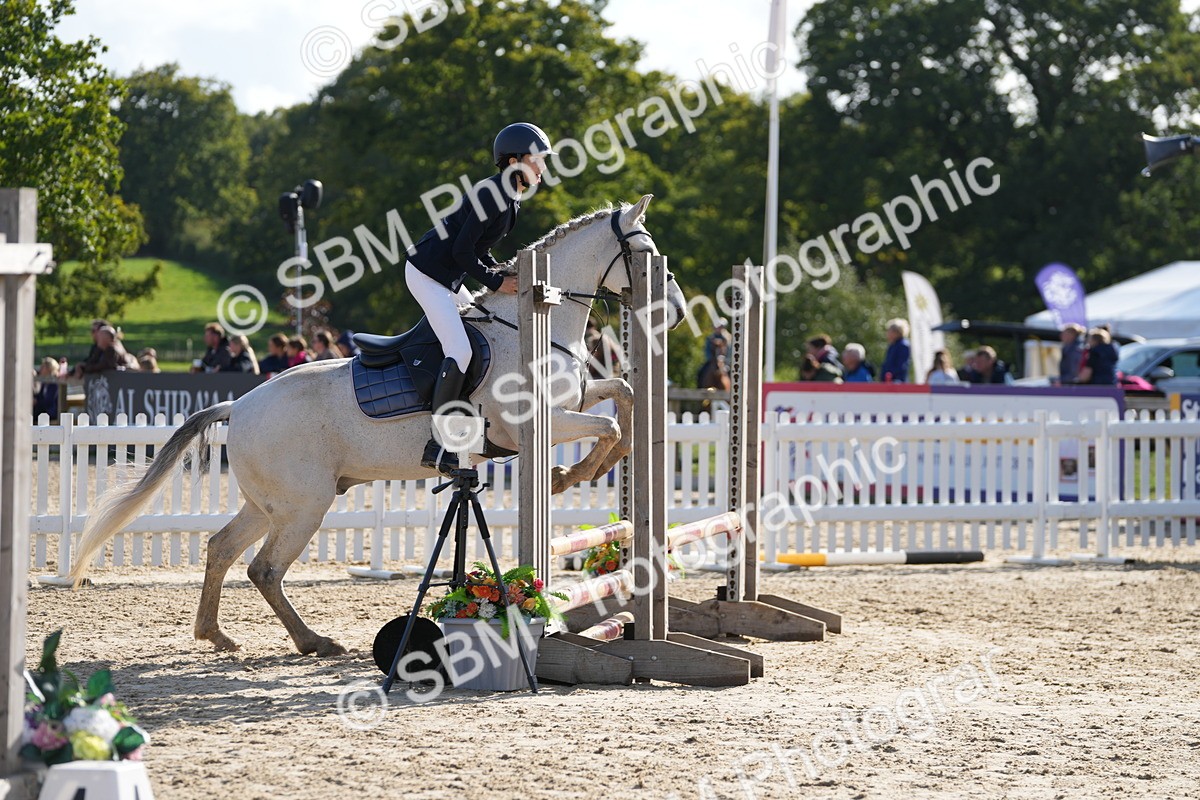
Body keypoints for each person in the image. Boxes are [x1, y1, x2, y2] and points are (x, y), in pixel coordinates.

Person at [405, 122, 554, 473]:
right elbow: (460, 250)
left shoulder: (510, 200)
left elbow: (478, 250)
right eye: (539, 160)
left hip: (448, 276)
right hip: (427, 274)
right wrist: (494, 281)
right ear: (516, 160)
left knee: (482, 326)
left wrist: (498, 272)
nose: (543, 168)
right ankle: (439, 443)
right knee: (461, 349)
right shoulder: (492, 194)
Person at [879, 319, 911, 383]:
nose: (887, 333)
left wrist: (891, 374)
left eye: (889, 331)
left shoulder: (903, 345)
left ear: (897, 332)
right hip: (888, 380)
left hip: (898, 381)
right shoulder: (892, 345)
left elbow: (901, 366)